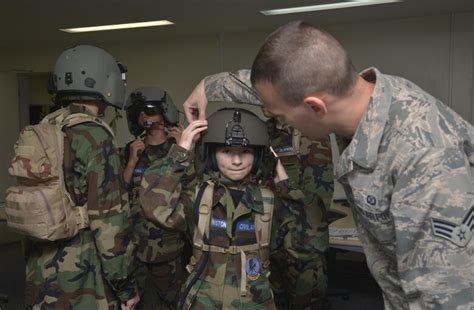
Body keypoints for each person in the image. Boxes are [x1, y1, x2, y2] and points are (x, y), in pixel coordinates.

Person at [182, 21, 473, 309]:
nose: (280, 124)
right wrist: (208, 86)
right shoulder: (359, 95)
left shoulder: (424, 159)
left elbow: (445, 295)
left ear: (315, 107)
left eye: (280, 117)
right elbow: (287, 83)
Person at [183, 69, 336, 309]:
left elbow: (317, 204)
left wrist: (284, 190)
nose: (237, 160)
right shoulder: (259, 132)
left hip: (289, 231)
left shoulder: (310, 135)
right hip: (259, 234)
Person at [139, 108, 299, 309]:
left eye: (246, 152)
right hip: (201, 302)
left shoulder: (268, 200)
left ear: (258, 153)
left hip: (255, 303)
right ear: (212, 153)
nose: (237, 161)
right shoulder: (198, 197)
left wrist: (282, 179)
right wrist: (180, 153)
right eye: (226, 151)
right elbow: (153, 206)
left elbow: (307, 242)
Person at [23, 45, 139, 309]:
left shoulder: (44, 128)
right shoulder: (95, 137)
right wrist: (126, 286)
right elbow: (110, 222)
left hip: (40, 272)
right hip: (83, 279)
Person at [121, 86, 185, 309]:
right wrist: (131, 161)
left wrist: (183, 148)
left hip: (168, 244)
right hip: (136, 242)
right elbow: (120, 191)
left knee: (172, 301)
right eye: (140, 113)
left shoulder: (177, 149)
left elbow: (191, 187)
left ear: (164, 113)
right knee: (137, 301)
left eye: (149, 111)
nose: (144, 117)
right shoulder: (131, 150)